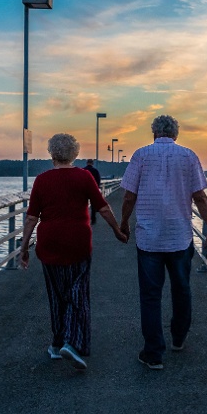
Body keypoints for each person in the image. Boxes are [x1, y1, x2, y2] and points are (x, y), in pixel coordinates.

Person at [119, 115, 207, 370]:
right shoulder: (188, 156)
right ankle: (178, 338)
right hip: (179, 237)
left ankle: (153, 353)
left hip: (149, 238)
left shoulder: (141, 155)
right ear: (176, 134)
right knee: (182, 289)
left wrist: (123, 223)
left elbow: (129, 196)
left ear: (154, 132)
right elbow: (200, 197)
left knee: (150, 296)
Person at [20, 133, 127, 371]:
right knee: (77, 292)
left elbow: (31, 218)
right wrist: (117, 231)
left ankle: (58, 344)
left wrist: (24, 247)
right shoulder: (84, 177)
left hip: (49, 244)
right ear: (75, 154)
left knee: (56, 294)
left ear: (51, 154)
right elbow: (103, 207)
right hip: (78, 243)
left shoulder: (41, 180)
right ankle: (73, 342)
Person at [83, 158, 102, 224]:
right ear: (92, 163)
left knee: (83, 204)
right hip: (92, 190)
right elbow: (98, 180)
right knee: (93, 205)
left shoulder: (83, 170)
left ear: (87, 163)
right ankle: (93, 219)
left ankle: (84, 219)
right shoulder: (95, 171)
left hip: (83, 189)